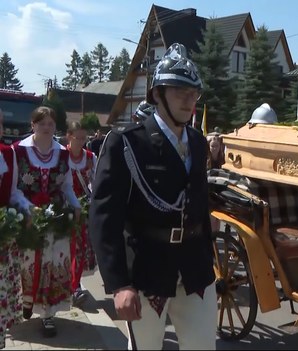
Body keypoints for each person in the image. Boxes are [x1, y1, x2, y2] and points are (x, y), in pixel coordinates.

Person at [89, 43, 216, 350]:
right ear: (157, 94)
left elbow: (200, 206)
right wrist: (119, 284)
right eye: (179, 92)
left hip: (194, 271)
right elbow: (105, 217)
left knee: (202, 347)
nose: (189, 100)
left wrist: (210, 261)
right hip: (147, 273)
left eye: (194, 93)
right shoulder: (126, 143)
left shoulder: (198, 143)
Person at [11, 106, 81, 337]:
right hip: (27, 218)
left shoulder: (62, 153)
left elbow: (66, 186)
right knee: (26, 264)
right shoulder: (18, 151)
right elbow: (13, 188)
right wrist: (30, 209)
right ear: (33, 125)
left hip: (55, 218)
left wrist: (76, 206)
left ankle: (49, 314)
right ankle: (26, 303)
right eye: (42, 123)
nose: (47, 127)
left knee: (53, 265)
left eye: (51, 124)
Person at [66, 121, 97, 307]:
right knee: (67, 248)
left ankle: (75, 285)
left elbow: (96, 180)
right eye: (78, 138)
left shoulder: (90, 157)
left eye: (84, 138)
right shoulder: (61, 155)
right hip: (65, 208)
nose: (81, 142)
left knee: (81, 248)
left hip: (84, 207)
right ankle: (70, 286)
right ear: (69, 136)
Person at [0, 108, 22, 349]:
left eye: (1, 123)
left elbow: (14, 191)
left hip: (3, 240)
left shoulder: (7, 154)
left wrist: (27, 210)